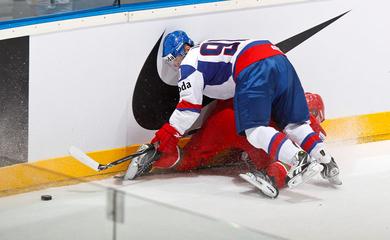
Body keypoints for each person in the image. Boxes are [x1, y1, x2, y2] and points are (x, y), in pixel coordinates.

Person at [127, 31, 341, 196]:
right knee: (296, 124)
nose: (174, 65)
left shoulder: (189, 65)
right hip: (276, 54)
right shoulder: (205, 49)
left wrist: (161, 139)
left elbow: (187, 110)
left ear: (183, 49)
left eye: (173, 59)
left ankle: (297, 159)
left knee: (255, 131)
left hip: (253, 66)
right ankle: (328, 163)